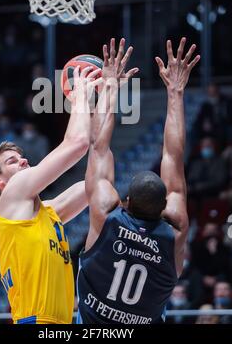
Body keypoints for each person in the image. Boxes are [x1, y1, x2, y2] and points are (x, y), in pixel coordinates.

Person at [77, 37, 200, 324]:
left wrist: (110, 86)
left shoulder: (106, 214)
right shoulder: (175, 229)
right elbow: (173, 155)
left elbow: (98, 147)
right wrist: (175, 93)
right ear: (164, 208)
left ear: (126, 201)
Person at [0, 65, 102, 324]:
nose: (23, 161)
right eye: (12, 161)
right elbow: (77, 144)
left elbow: (98, 181)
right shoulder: (10, 197)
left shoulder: (49, 212)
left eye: (22, 157)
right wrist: (79, 94)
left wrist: (106, 97)